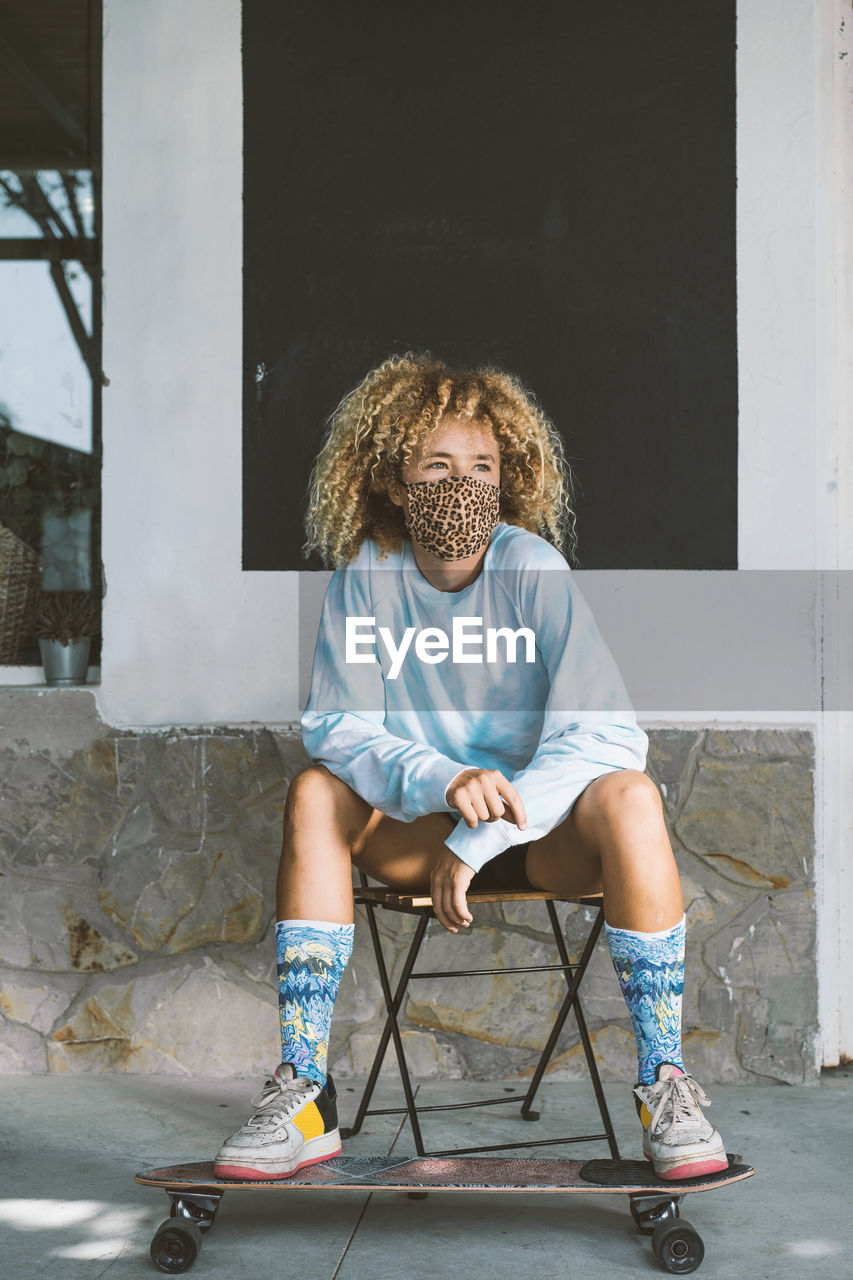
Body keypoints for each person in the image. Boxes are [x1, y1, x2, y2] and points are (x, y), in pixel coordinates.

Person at [214, 352, 728, 1182]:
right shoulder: (366, 578)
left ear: (509, 477)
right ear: (389, 480)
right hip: (415, 830)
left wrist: (481, 835)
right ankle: (303, 1094)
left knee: (631, 794)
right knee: (315, 790)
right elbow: (338, 730)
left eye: (482, 467)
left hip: (532, 834)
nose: (464, 484)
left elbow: (605, 736)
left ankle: (664, 1083)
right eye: (438, 466)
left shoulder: (531, 568)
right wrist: (445, 783)